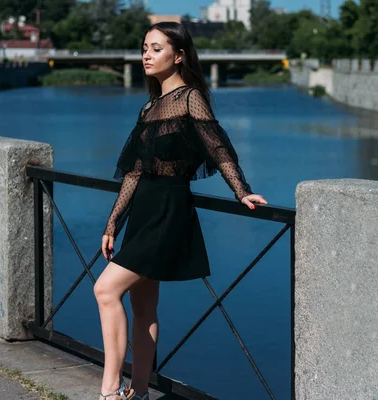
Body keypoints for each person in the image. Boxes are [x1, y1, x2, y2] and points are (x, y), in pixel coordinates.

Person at [95, 22, 268, 400]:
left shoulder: (190, 98)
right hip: (142, 212)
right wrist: (112, 224)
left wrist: (242, 191)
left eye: (156, 49)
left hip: (170, 210)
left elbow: (218, 147)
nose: (146, 55)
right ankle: (138, 393)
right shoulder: (149, 107)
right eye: (144, 47)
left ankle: (110, 390)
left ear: (179, 56)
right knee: (144, 308)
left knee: (104, 289)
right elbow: (134, 172)